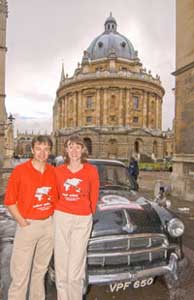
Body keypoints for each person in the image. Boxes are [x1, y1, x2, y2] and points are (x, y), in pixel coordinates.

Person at [4, 135, 58, 300]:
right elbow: (9, 201)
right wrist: (22, 222)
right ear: (33, 149)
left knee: (40, 272)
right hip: (28, 225)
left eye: (46, 149)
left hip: (48, 225)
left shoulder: (53, 172)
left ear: (50, 151)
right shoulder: (20, 171)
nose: (42, 153)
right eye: (39, 149)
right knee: (20, 272)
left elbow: (56, 200)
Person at [54, 135, 99, 300]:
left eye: (77, 147)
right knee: (61, 263)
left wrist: (87, 212)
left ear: (82, 150)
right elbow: (54, 194)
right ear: (66, 149)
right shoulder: (58, 171)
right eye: (70, 146)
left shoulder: (91, 170)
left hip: (82, 219)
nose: (74, 150)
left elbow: (94, 195)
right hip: (61, 217)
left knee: (75, 267)